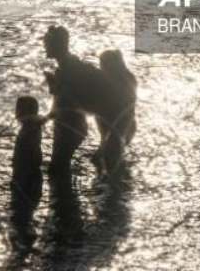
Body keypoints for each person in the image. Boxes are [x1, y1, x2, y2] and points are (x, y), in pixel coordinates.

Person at [42, 25, 132, 171]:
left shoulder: (70, 70)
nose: (44, 47)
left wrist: (55, 91)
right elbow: (64, 100)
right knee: (98, 162)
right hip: (89, 120)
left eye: (47, 43)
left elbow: (67, 102)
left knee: (59, 168)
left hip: (83, 123)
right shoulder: (66, 68)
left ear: (57, 45)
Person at [45, 70, 88, 176]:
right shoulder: (61, 93)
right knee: (61, 161)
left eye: (51, 84)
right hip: (74, 131)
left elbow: (56, 112)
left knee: (59, 162)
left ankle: (61, 184)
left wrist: (39, 121)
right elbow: (53, 113)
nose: (49, 90)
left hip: (71, 132)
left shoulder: (65, 96)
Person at [10, 95, 44, 225]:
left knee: (22, 210)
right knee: (24, 211)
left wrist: (21, 175)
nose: (16, 112)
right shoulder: (31, 126)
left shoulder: (30, 128)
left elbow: (33, 154)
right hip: (26, 173)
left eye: (19, 109)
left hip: (26, 175)